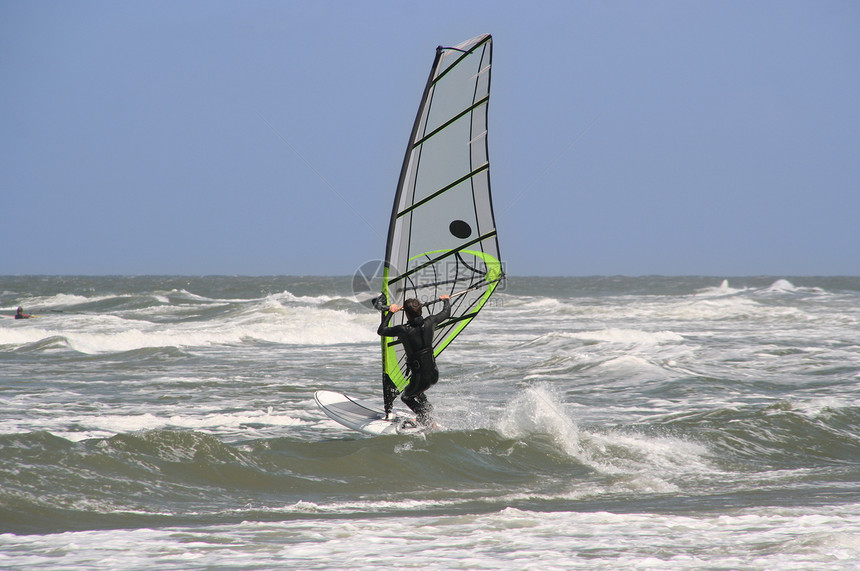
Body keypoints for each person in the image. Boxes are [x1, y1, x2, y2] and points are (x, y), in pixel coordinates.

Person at [377, 294, 451, 426]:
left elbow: (381, 330)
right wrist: (446, 300)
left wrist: (390, 313)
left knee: (406, 397)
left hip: (420, 377)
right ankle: (428, 412)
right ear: (420, 309)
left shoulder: (404, 330)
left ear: (406, 314)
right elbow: (446, 313)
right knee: (418, 392)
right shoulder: (430, 321)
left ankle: (426, 418)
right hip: (434, 374)